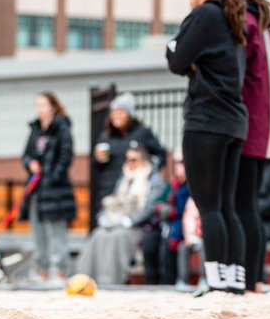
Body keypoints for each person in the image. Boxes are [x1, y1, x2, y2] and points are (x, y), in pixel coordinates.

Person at [166, 0, 248, 295]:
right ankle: (233, 280)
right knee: (227, 205)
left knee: (208, 205)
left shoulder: (203, 16)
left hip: (207, 121)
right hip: (233, 122)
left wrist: (181, 53)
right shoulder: (232, 18)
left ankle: (214, 280)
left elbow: (175, 58)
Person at [226, 0, 270, 293]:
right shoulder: (262, 21)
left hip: (249, 125)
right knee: (248, 206)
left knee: (241, 205)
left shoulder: (245, 21)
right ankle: (257, 278)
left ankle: (250, 280)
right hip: (263, 127)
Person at [75, 144, 166, 286]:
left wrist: (129, 220)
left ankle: (110, 281)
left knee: (117, 237)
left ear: (144, 161)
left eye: (133, 160)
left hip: (139, 226)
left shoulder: (154, 180)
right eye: (127, 159)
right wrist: (104, 217)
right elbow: (114, 198)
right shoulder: (124, 178)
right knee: (99, 234)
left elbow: (151, 208)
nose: (129, 163)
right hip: (115, 221)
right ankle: (85, 279)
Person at [19, 91, 78, 284]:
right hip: (37, 190)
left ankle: (62, 270)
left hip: (56, 189)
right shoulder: (35, 129)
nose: (39, 109)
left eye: (43, 105)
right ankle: (42, 269)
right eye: (37, 105)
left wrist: (51, 176)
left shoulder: (62, 128)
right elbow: (26, 155)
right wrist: (31, 164)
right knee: (38, 231)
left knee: (57, 232)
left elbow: (66, 157)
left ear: (52, 107)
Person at [92, 92, 167, 201]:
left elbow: (160, 155)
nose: (117, 115)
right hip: (109, 190)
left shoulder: (142, 133)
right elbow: (96, 165)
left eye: (121, 111)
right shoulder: (106, 136)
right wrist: (97, 158)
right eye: (114, 112)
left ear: (129, 114)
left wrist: (147, 167)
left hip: (134, 191)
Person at [143, 151, 189, 286]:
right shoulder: (172, 184)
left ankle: (167, 283)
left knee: (168, 246)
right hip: (165, 224)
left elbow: (183, 211)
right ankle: (151, 284)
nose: (178, 166)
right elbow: (159, 202)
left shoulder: (190, 185)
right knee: (149, 244)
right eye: (176, 162)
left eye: (181, 162)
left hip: (181, 227)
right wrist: (161, 208)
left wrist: (170, 211)